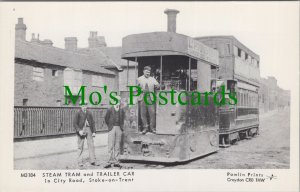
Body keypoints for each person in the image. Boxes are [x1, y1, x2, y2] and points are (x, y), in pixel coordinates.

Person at [137, 66, 160, 134]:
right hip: (142, 98)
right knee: (143, 114)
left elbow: (158, 85)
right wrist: (140, 90)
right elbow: (135, 88)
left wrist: (157, 86)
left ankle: (152, 128)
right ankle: (145, 128)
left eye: (149, 72)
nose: (148, 73)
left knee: (152, 113)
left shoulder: (152, 79)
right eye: (146, 72)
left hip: (150, 98)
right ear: (143, 71)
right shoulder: (139, 79)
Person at [104, 96, 125, 168]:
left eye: (119, 101)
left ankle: (116, 161)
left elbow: (123, 119)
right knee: (110, 145)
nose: (117, 102)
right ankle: (109, 162)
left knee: (117, 146)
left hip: (119, 128)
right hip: (112, 128)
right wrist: (110, 126)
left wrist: (121, 128)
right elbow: (106, 119)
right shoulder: (110, 109)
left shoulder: (122, 110)